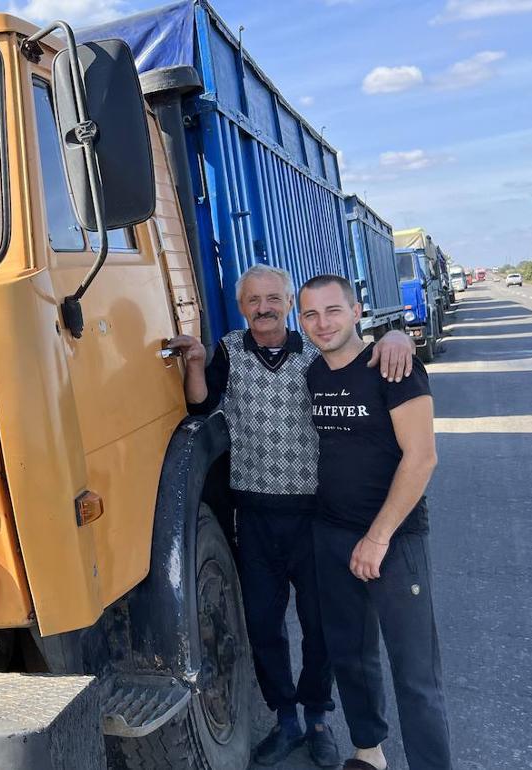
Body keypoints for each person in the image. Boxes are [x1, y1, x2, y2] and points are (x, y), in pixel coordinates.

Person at [167, 265, 414, 767]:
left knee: (320, 624)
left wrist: (397, 336)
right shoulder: (229, 352)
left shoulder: (316, 354)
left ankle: (319, 718)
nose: (263, 308)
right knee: (262, 623)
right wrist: (194, 361)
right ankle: (285, 719)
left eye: (273, 298)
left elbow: (360, 353)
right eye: (253, 300)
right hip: (255, 516)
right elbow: (201, 404)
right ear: (242, 308)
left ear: (288, 305)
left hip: (314, 516)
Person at [297, 274, 451, 770]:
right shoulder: (312, 372)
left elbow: (421, 458)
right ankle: (369, 752)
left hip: (394, 540)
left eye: (333, 311)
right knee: (351, 658)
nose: (322, 324)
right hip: (332, 535)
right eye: (310, 314)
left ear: (358, 310)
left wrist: (377, 537)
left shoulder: (394, 367)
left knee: (415, 674)